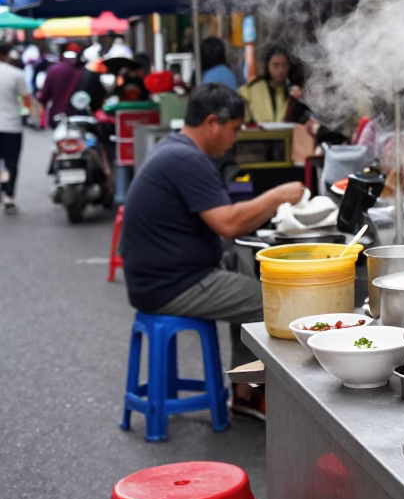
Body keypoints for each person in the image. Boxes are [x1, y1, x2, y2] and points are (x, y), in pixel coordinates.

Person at [120, 83, 307, 417]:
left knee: (245, 270)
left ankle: (246, 391)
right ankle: (263, 392)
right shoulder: (187, 159)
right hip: (171, 283)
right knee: (270, 302)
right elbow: (229, 224)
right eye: (234, 130)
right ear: (211, 123)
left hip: (160, 275)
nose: (235, 139)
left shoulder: (174, 148)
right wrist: (278, 196)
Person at [0, 42, 35, 212]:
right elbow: (27, 101)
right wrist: (26, 114)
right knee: (11, 163)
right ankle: (8, 195)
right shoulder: (16, 74)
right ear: (6, 55)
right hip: (11, 125)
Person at [37, 43, 106, 124]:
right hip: (82, 116)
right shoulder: (86, 72)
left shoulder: (53, 70)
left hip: (58, 116)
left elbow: (43, 97)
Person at [239, 46, 306, 125]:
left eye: (285, 65)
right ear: (268, 66)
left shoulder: (293, 90)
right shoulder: (251, 89)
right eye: (276, 65)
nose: (281, 70)